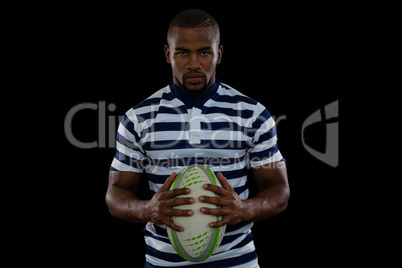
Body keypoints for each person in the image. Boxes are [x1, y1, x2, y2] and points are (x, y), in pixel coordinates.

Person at [106, 9, 290, 268]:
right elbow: (115, 194)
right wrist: (146, 210)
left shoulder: (253, 114)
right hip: (162, 264)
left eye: (204, 52)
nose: (194, 63)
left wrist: (244, 209)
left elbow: (280, 190)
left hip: (237, 262)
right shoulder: (138, 118)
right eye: (182, 52)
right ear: (168, 54)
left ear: (219, 54)